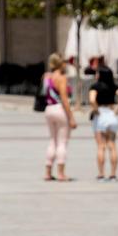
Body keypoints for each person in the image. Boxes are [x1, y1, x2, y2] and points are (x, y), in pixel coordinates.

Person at [88, 68, 118, 181]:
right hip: (111, 115)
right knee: (112, 145)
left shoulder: (94, 87)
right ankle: (113, 174)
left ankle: (101, 174)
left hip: (100, 115)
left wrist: (96, 110)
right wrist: (117, 109)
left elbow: (92, 100)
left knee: (101, 146)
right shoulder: (113, 86)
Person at [41, 53, 77, 182]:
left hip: (49, 109)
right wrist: (71, 117)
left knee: (52, 141)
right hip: (59, 109)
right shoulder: (61, 78)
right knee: (62, 142)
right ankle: (61, 173)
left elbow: (44, 93)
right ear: (60, 64)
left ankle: (48, 171)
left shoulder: (46, 76)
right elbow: (64, 98)